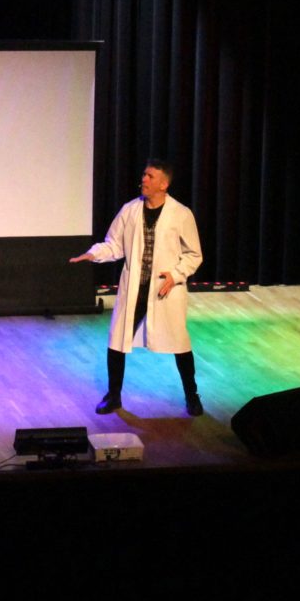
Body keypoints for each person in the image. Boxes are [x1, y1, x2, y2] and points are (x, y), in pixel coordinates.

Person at [70, 158, 204, 415]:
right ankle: (114, 395)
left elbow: (194, 254)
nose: (144, 179)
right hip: (134, 288)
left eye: (150, 176)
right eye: (144, 174)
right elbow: (114, 244)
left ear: (164, 184)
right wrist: (93, 253)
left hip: (164, 291)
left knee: (179, 343)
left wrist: (176, 275)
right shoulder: (130, 210)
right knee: (117, 341)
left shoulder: (181, 214)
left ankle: (192, 395)